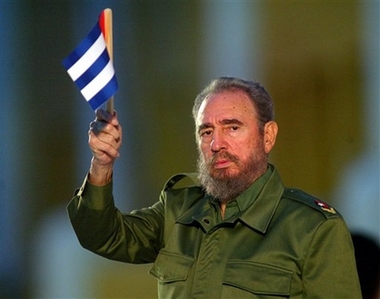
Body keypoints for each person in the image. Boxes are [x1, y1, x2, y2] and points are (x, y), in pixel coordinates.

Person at [68, 77, 362, 298]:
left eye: (232, 127)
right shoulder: (178, 210)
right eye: (206, 131)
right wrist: (102, 164)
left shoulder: (314, 229)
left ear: (267, 136)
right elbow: (101, 235)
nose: (216, 144)